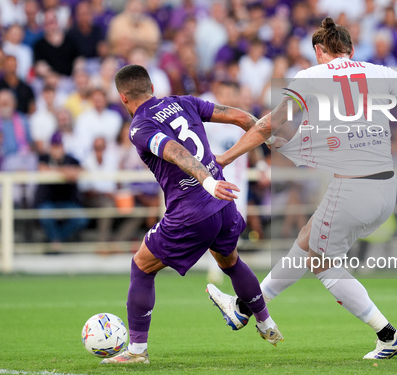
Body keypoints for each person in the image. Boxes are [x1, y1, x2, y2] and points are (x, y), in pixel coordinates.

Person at [206, 17, 397, 360]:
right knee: (307, 240)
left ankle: (388, 335)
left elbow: (269, 125)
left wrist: (224, 157)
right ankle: (243, 308)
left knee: (322, 263)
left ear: (320, 51)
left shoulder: (312, 77)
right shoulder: (379, 72)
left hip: (352, 188)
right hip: (385, 188)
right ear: (351, 49)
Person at [100, 64, 282, 365]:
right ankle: (266, 323)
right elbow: (240, 117)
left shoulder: (140, 127)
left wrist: (207, 182)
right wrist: (269, 139)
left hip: (193, 210)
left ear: (122, 98)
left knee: (142, 267)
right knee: (230, 260)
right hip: (225, 207)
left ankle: (136, 351)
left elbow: (176, 152)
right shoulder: (182, 102)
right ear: (151, 88)